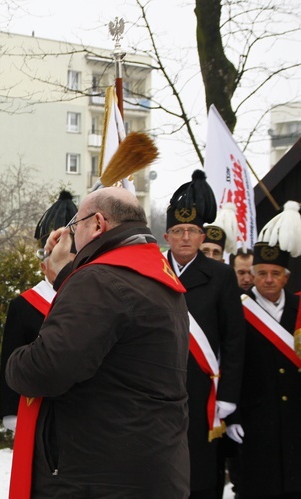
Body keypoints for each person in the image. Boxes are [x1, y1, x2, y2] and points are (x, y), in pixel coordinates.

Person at [6, 187, 190, 498]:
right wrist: (68, 275)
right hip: (148, 468)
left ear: (98, 224)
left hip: (97, 475)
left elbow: (45, 369)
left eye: (76, 227)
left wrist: (16, 361)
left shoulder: (99, 280)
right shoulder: (154, 275)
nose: (72, 237)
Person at [163, 170, 245, 499]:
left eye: (192, 231)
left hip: (203, 393)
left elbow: (234, 341)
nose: (185, 237)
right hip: (159, 389)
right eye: (178, 231)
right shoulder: (152, 272)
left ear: (202, 236)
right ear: (166, 235)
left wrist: (227, 395)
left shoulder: (221, 276)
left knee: (201, 477)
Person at [226, 201, 301, 498]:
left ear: (286, 276)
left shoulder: (299, 308)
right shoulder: (238, 308)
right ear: (252, 274)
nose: (268, 280)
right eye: (262, 273)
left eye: (275, 273)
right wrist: (231, 417)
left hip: (295, 423)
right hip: (255, 423)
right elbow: (229, 364)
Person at [0, 191, 77, 432]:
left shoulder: (92, 301)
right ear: (43, 263)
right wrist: (13, 414)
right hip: (36, 411)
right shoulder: (23, 306)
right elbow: (9, 362)